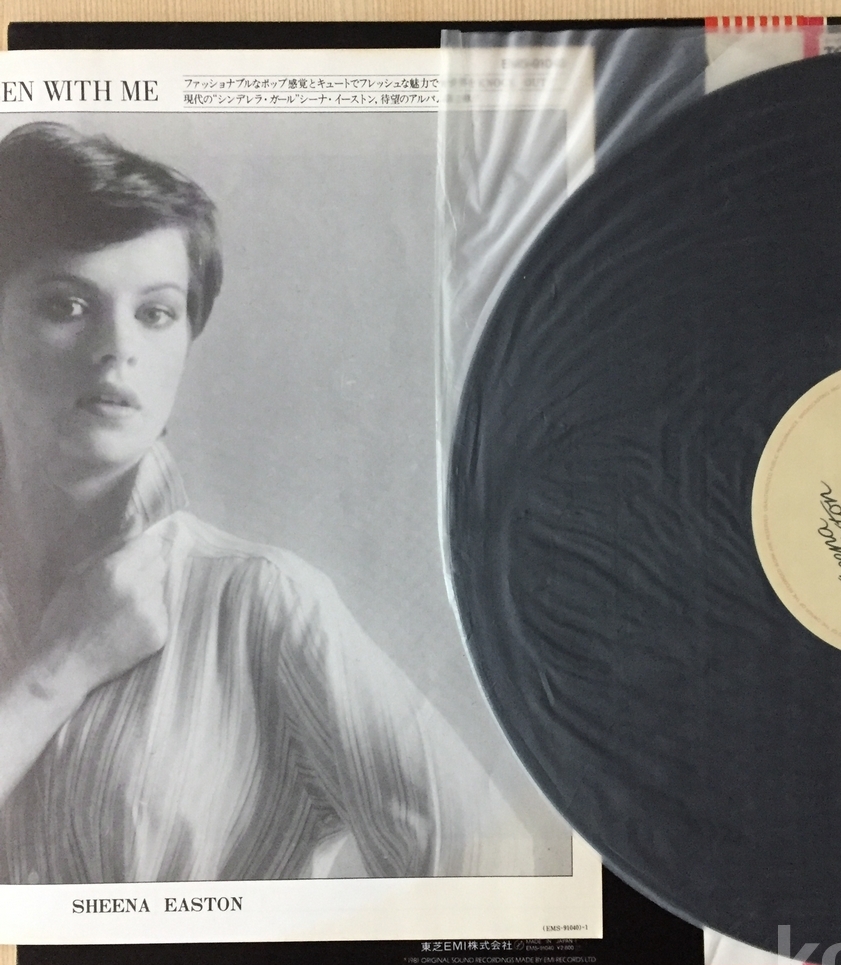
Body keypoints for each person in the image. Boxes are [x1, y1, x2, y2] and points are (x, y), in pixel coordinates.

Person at [0, 121, 533, 883]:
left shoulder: (261, 605)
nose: (118, 347)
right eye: (67, 305)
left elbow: (498, 872)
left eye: (156, 312)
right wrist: (54, 674)